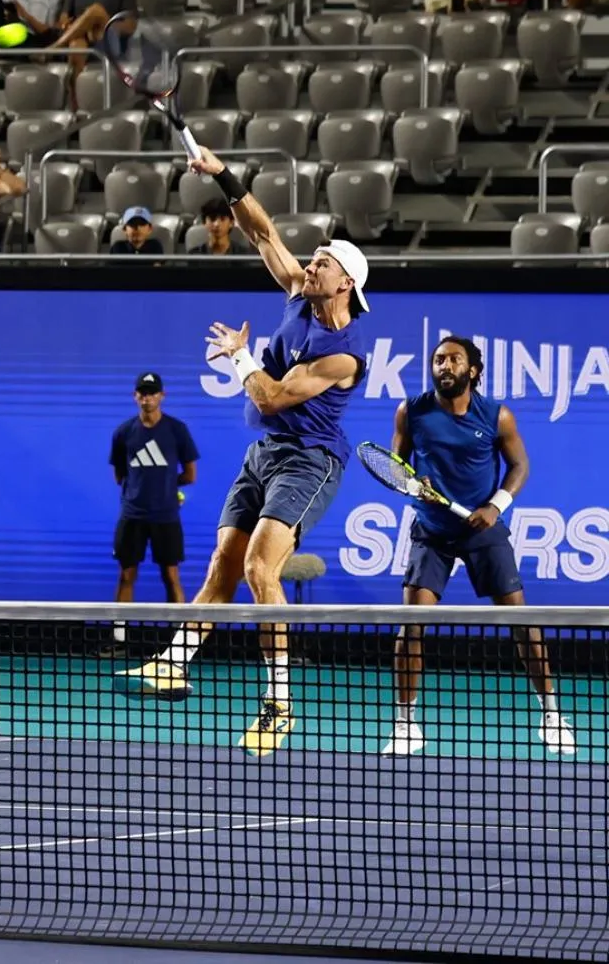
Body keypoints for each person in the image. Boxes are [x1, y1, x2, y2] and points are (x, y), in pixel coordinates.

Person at [117, 144, 369, 759]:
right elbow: (262, 232)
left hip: (310, 461)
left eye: (324, 262)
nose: (311, 264)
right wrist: (223, 175)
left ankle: (279, 703)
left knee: (260, 568)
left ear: (346, 283)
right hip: (265, 454)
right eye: (313, 258)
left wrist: (238, 356)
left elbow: (274, 396)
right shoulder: (300, 292)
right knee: (223, 564)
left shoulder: (343, 354)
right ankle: (173, 663)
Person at [384, 336, 576, 757]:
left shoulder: (496, 416)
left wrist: (495, 505)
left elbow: (520, 465)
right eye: (438, 360)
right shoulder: (410, 411)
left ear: (472, 371)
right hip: (432, 530)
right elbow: (395, 468)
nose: (444, 366)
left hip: (483, 530)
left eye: (454, 360)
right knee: (411, 626)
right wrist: (413, 484)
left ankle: (552, 715)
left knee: (522, 623)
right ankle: (405, 724)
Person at [110, 372, 199, 625]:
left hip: (166, 516)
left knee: (171, 576)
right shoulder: (124, 432)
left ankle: (179, 641)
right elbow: (120, 475)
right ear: (135, 396)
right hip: (132, 515)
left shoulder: (177, 430)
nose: (147, 399)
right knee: (126, 576)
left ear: (162, 395)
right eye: (142, 394)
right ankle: (120, 639)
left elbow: (190, 475)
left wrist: (166, 486)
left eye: (152, 393)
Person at [47, 0, 137, 108]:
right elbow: (63, 21)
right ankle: (78, 105)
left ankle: (54, 48)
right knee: (76, 45)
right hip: (82, 41)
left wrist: (102, 24)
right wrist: (79, 26)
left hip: (108, 41)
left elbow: (130, 26)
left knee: (96, 10)